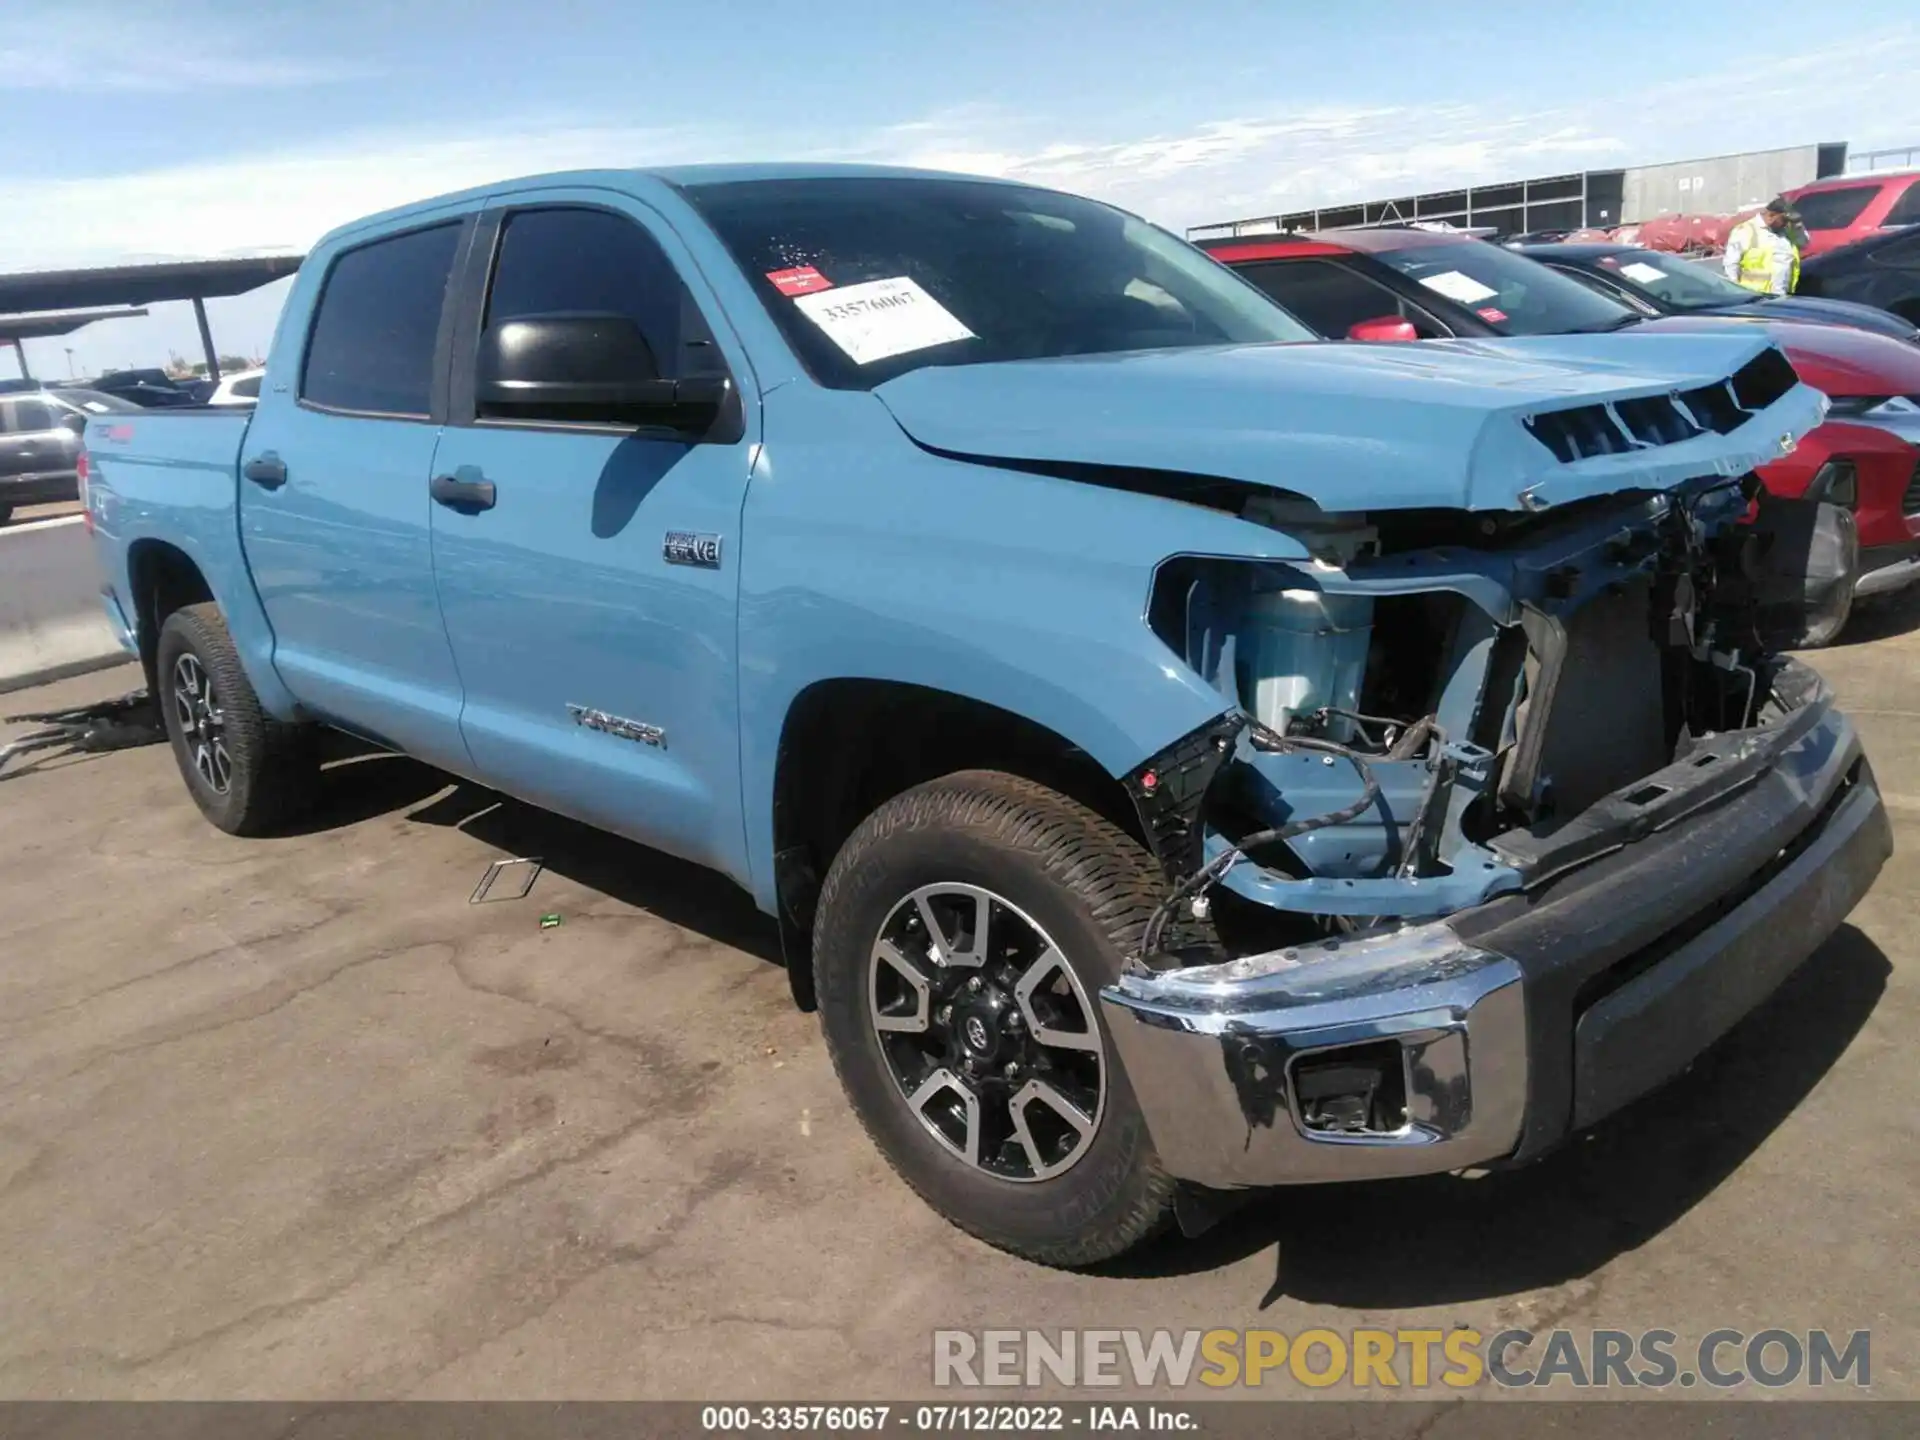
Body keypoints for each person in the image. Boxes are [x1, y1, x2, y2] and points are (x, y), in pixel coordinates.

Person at [1723, 197, 1801, 296]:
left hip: (1782, 296)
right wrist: (1735, 294)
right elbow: (1730, 266)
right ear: (1771, 215)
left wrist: (1797, 224)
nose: (1786, 223)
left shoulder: (1785, 232)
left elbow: (1804, 242)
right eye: (1784, 220)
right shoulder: (1745, 231)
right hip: (1754, 298)